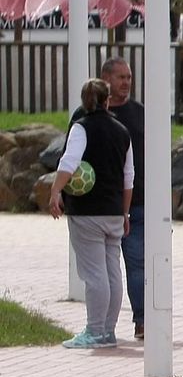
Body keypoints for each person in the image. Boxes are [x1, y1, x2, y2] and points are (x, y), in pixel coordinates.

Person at [49, 78, 134, 349]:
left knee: (95, 274)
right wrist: (125, 213)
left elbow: (69, 162)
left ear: (84, 101)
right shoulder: (122, 131)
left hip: (87, 213)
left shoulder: (81, 127)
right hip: (114, 211)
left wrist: (55, 191)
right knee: (112, 272)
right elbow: (128, 177)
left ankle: (94, 331)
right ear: (107, 100)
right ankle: (108, 331)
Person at [70, 57, 146, 339]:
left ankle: (138, 321)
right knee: (105, 269)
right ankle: (105, 330)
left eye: (129, 77)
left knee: (133, 265)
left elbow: (137, 165)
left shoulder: (139, 114)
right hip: (102, 205)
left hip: (134, 204)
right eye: (121, 77)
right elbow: (72, 161)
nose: (126, 82)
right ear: (105, 79)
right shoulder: (83, 117)